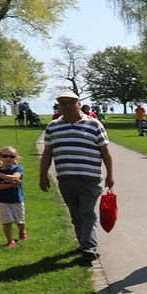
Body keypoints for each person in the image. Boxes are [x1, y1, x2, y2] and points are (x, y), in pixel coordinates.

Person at [40, 92, 115, 261]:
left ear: (79, 104)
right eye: (62, 103)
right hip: (66, 178)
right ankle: (84, 243)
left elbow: (106, 152)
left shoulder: (94, 124)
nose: (66, 105)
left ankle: (89, 247)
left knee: (87, 212)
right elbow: (47, 154)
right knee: (76, 214)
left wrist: (110, 175)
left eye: (70, 102)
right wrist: (43, 175)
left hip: (90, 178)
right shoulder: (52, 126)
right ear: (58, 106)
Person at [0, 146, 27, 247]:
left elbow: (15, 177)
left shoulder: (18, 168)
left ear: (16, 158)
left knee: (20, 221)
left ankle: (22, 231)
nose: (8, 158)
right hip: (2, 201)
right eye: (5, 156)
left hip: (17, 200)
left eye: (12, 156)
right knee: (7, 222)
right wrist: (11, 184)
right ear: (0, 157)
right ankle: (10, 241)